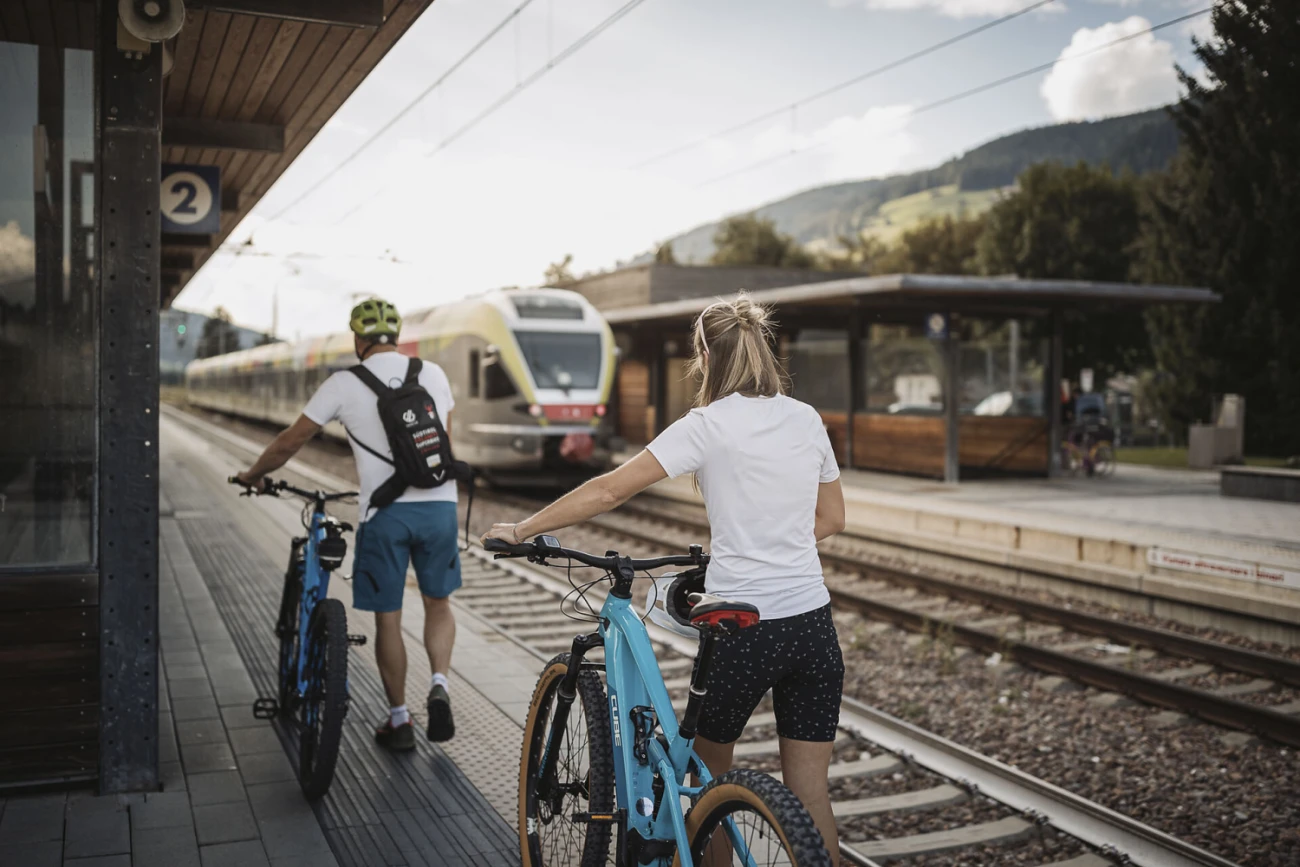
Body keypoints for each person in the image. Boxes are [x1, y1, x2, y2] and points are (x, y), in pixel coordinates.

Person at [482, 292, 847, 864]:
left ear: (705, 355)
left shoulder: (708, 424)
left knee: (708, 784)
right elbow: (831, 519)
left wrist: (525, 528)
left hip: (746, 630)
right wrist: (774, 543)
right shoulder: (806, 418)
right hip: (812, 628)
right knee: (810, 793)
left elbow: (609, 490)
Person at [235, 298, 460, 751]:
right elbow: (443, 443)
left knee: (388, 618)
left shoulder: (343, 383)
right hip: (440, 508)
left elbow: (290, 442)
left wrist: (253, 475)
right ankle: (440, 683)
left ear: (358, 339)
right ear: (396, 336)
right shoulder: (433, 374)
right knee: (438, 604)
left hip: (384, 515)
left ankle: (399, 720)